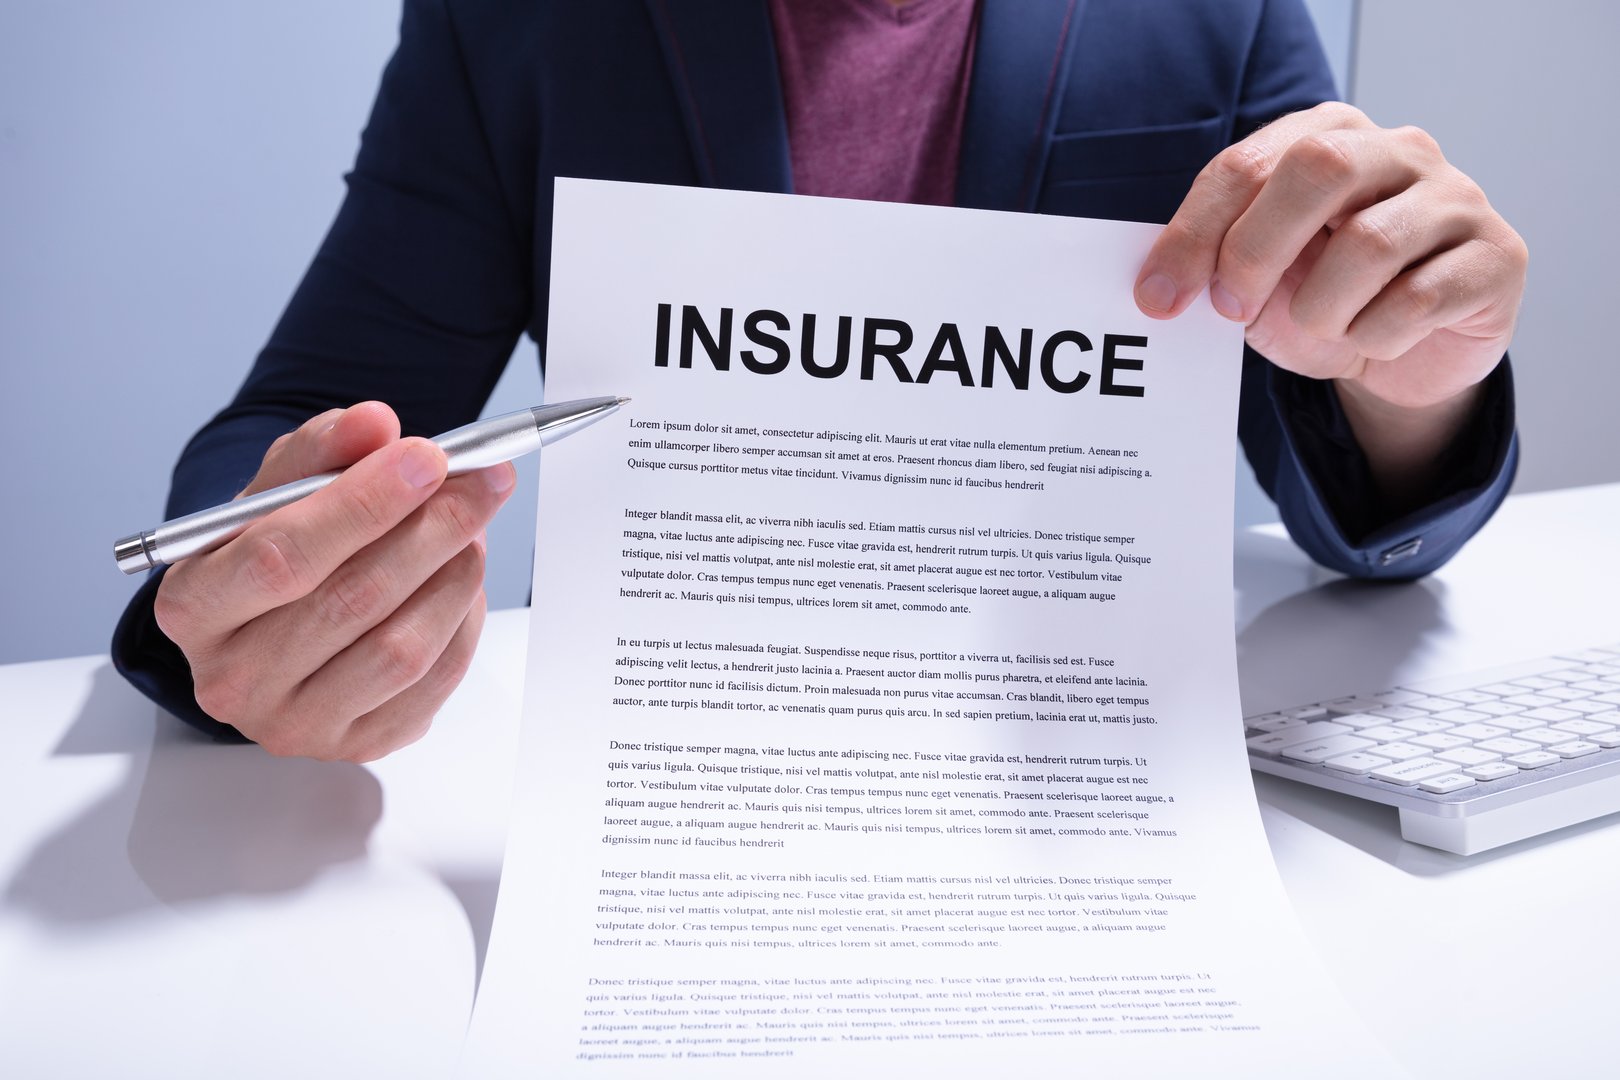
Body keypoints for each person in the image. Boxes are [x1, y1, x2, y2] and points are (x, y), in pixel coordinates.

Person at [112, 0, 1524, 763]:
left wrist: (1418, 380)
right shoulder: (510, 24)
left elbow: (1344, 491)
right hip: (681, 761)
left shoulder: (1217, 14)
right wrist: (272, 585)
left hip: (1083, 751)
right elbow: (295, 416)